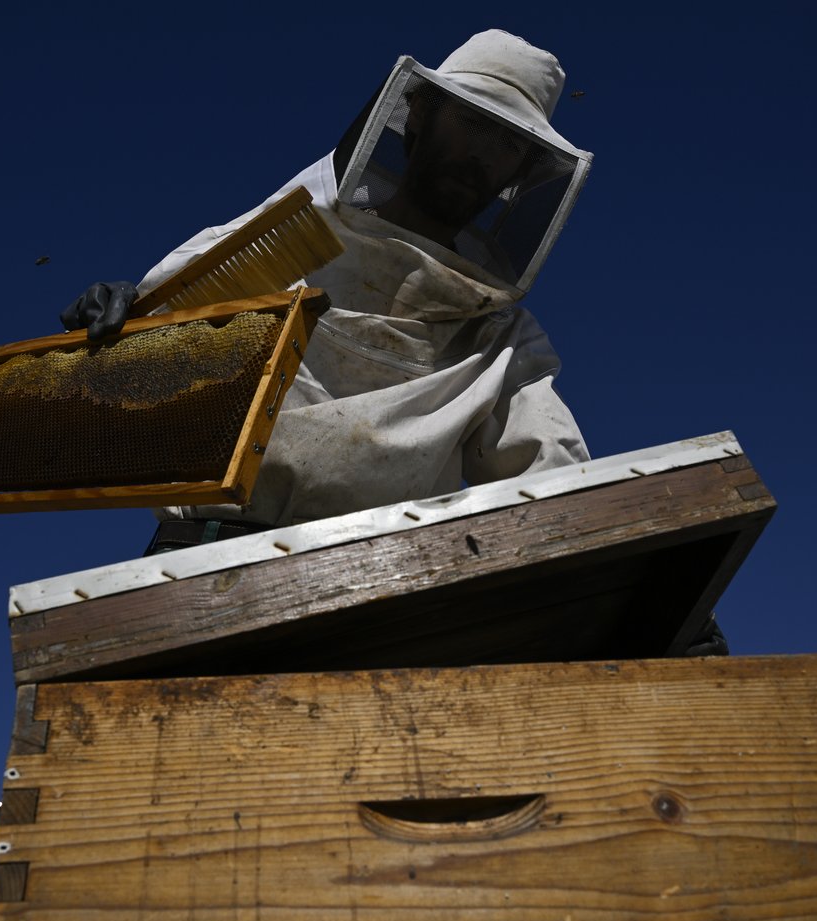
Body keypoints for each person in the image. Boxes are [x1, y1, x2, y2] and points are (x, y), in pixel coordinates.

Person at [63, 29, 593, 551]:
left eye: (507, 146)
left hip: (380, 588)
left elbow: (557, 483)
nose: (480, 155)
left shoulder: (498, 340)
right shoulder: (276, 250)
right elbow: (144, 351)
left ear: (517, 175)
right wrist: (127, 320)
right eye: (469, 124)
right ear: (417, 122)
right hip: (199, 559)